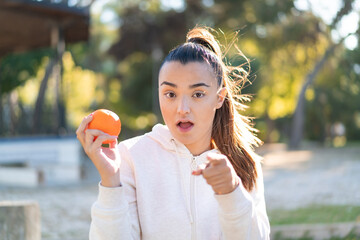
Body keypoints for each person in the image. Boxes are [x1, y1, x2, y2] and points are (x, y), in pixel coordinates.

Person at [76, 26, 270, 240]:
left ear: (219, 98)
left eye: (198, 94)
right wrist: (110, 182)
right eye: (170, 94)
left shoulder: (243, 163)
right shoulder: (130, 156)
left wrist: (232, 192)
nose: (182, 108)